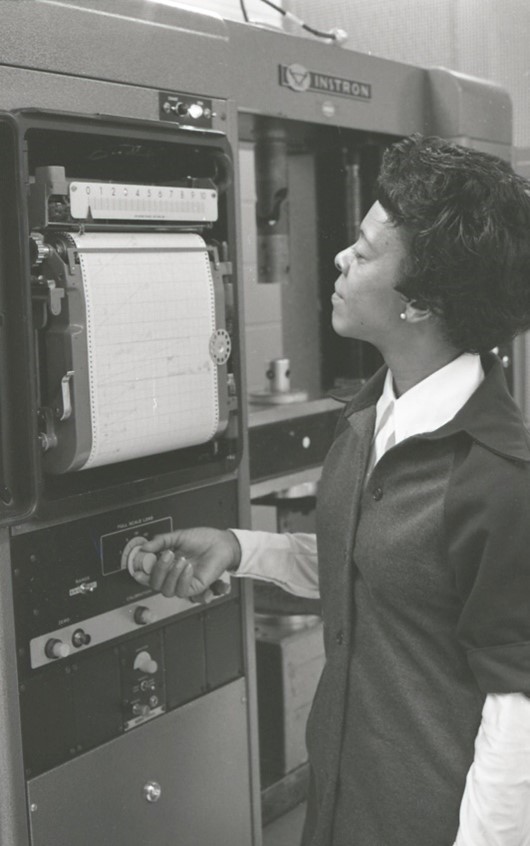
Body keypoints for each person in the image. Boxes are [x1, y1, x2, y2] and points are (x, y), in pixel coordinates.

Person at [132, 135, 530, 846]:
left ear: (423, 301)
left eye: (367, 250)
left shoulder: (499, 479)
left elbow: (518, 713)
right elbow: (372, 568)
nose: (343, 259)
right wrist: (238, 548)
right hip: (342, 806)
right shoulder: (367, 419)